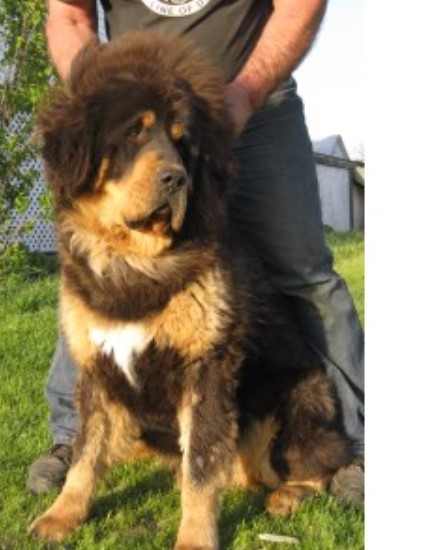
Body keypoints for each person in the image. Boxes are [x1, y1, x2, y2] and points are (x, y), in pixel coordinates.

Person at [27, 0, 365, 503]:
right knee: (101, 267)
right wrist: (99, 95)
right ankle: (71, 438)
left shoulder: (249, 98)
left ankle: (352, 448)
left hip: (255, 98)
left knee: (304, 271)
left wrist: (243, 96)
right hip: (132, 105)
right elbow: (69, 16)